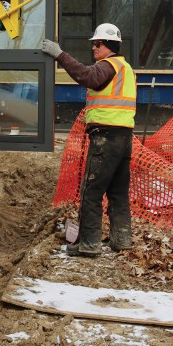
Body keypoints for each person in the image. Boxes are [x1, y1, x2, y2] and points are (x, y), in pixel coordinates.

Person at [41, 23, 135, 258]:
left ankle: (89, 244)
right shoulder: (125, 68)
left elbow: (86, 76)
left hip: (106, 137)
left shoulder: (108, 66)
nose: (94, 47)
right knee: (118, 193)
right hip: (124, 138)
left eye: (98, 44)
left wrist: (60, 55)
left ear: (109, 45)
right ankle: (122, 240)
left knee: (91, 192)